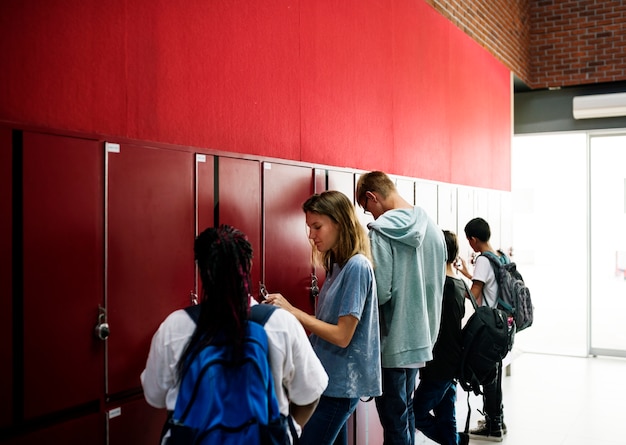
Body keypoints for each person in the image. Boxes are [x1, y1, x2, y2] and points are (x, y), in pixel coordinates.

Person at [141, 225, 328, 444]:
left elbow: (154, 396)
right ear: (248, 265)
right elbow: (311, 393)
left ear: (201, 269)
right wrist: (289, 430)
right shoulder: (280, 324)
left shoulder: (175, 327)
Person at [265, 190, 382, 445]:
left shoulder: (357, 266)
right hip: (327, 380)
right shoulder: (337, 266)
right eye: (309, 227)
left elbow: (342, 336)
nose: (311, 235)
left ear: (339, 222)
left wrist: (293, 312)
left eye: (317, 227)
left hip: (341, 387)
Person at [355, 171, 446, 445]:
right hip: (421, 340)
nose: (370, 216)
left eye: (367, 208)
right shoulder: (433, 228)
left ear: (372, 197)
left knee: (394, 424)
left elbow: (381, 292)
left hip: (393, 342)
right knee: (405, 416)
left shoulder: (381, 232)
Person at [412, 230, 467, 445]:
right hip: (450, 363)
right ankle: (453, 440)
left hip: (440, 365)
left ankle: (453, 441)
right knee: (446, 416)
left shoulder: (442, 287)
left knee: (417, 413)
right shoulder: (458, 283)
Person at [456, 217, 508, 442]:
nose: (470, 245)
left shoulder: (483, 261)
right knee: (495, 371)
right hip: (503, 324)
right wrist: (469, 275)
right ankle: (498, 419)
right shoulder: (500, 255)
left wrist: (454, 290)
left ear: (473, 239)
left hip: (489, 327)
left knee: (488, 374)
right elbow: (489, 286)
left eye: (469, 241)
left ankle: (492, 426)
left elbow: (475, 295)